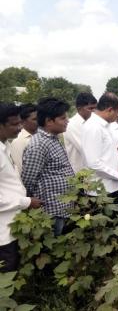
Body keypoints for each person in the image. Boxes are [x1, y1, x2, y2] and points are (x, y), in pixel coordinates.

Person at [22, 97, 74, 236]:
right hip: (50, 211)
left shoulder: (53, 138)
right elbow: (28, 179)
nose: (67, 121)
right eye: (63, 118)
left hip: (62, 208)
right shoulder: (39, 145)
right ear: (49, 121)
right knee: (52, 247)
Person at [0, 102, 42, 272]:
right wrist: (25, 202)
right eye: (14, 124)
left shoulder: (6, 146)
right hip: (2, 233)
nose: (19, 128)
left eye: (19, 122)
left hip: (12, 226)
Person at [81, 92, 118, 202]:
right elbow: (93, 163)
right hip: (98, 191)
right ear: (110, 110)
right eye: (117, 112)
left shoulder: (105, 126)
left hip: (110, 188)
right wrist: (117, 175)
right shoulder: (93, 127)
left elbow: (109, 154)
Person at [63, 92, 97, 173]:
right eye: (90, 108)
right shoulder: (71, 125)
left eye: (95, 108)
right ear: (79, 108)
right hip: (79, 174)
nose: (93, 112)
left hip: (93, 173)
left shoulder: (92, 123)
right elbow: (87, 149)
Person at [10, 103, 38, 173]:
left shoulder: (39, 136)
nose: (38, 121)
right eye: (34, 119)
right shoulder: (19, 141)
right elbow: (20, 169)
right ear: (23, 122)